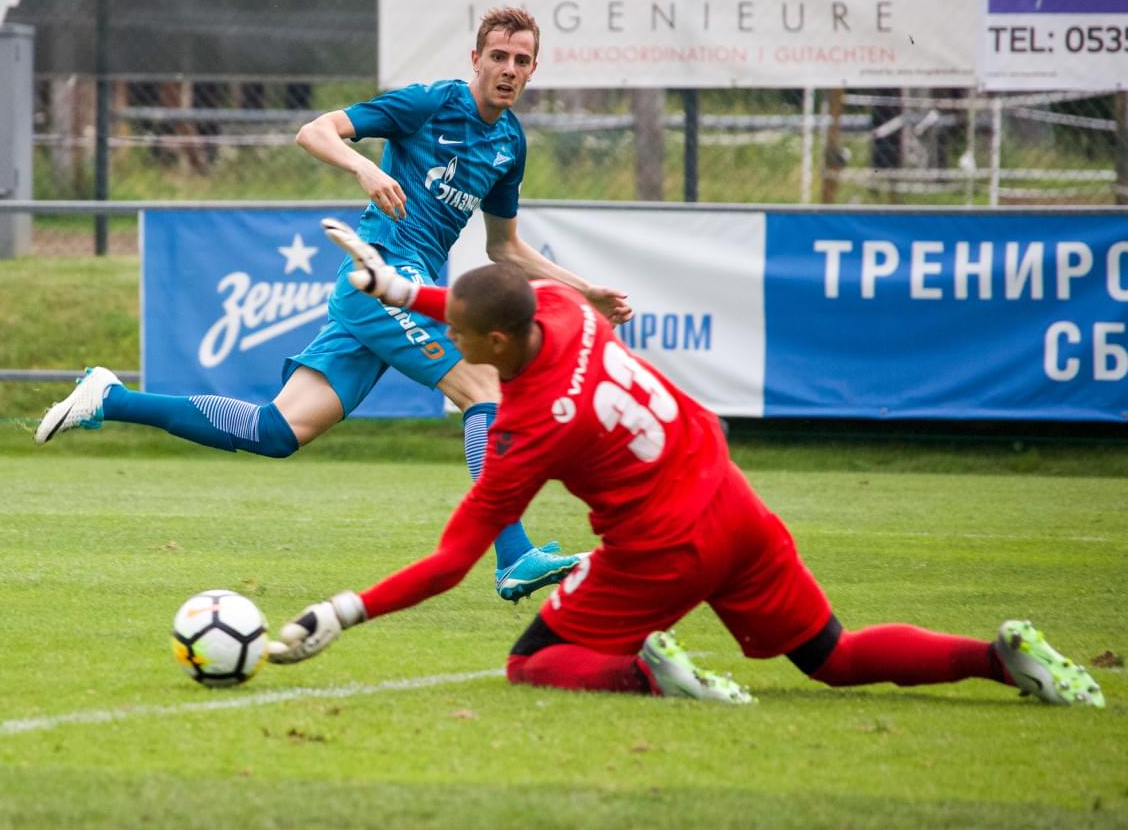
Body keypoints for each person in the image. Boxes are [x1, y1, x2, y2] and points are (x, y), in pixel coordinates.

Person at [267, 241, 1105, 710]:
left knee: (534, 662)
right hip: (733, 501)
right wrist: (395, 285)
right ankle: (999, 659)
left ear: (489, 346)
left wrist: (342, 611)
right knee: (832, 655)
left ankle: (647, 667)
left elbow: (454, 561)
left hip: (665, 546)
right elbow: (482, 301)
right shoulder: (559, 306)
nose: (447, 330)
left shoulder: (526, 428)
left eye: (457, 328)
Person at [35, 6, 633, 603]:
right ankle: (514, 556)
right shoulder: (430, 103)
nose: (507, 68)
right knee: (486, 390)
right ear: (475, 60)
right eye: (497, 56)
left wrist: (585, 290)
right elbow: (314, 131)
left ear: (533, 70)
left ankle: (111, 398)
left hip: (397, 291)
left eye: (520, 60)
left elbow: (505, 247)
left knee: (277, 429)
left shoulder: (509, 143)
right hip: (378, 277)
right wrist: (364, 168)